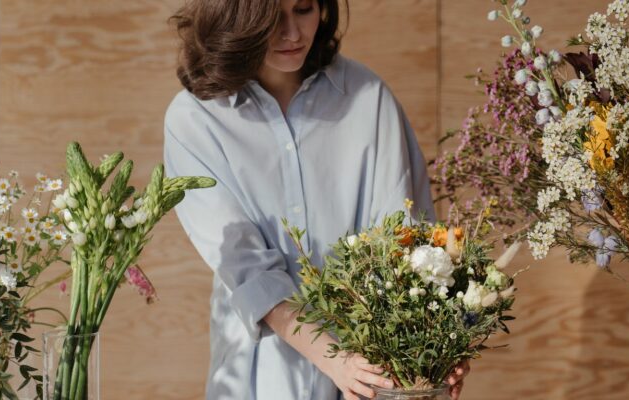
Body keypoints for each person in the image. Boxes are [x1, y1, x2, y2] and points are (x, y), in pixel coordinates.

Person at [163, 0, 469, 398]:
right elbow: (247, 270)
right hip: (256, 381)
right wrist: (335, 359)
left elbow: (410, 247)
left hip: (373, 380)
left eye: (305, 8)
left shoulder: (368, 99)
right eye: (273, 17)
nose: (293, 33)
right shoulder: (195, 119)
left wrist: (435, 353)